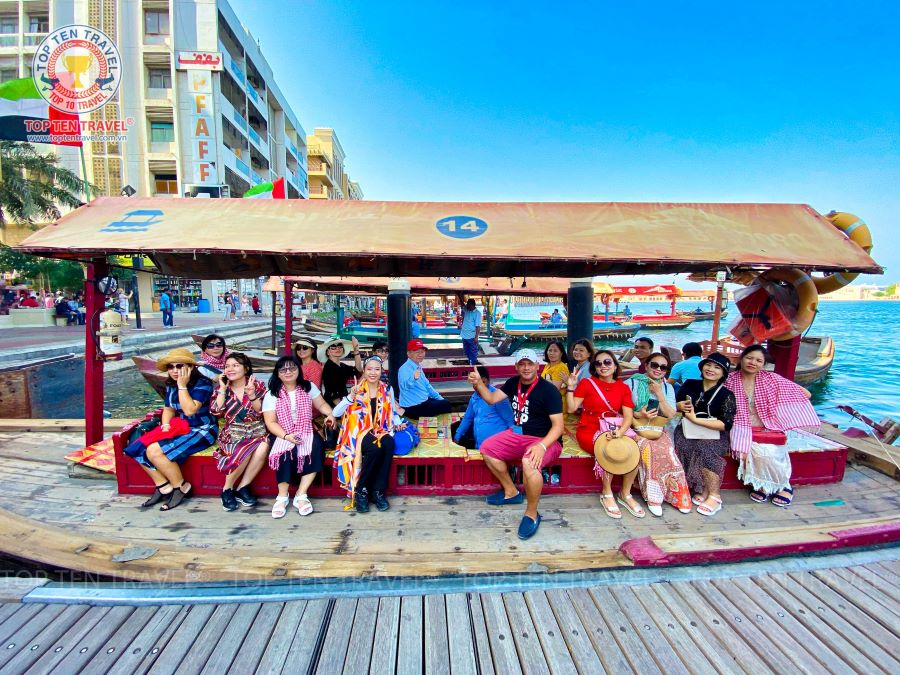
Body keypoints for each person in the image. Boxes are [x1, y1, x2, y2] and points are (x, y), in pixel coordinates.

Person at [467, 349, 563, 539]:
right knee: (487, 448)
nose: (526, 368)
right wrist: (478, 383)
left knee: (529, 462)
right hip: (518, 434)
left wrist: (542, 446)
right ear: (516, 367)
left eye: (530, 364)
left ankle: (532, 514)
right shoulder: (512, 383)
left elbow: (558, 427)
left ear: (537, 366)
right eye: (522, 364)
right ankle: (511, 492)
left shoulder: (549, 390)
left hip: (545, 439)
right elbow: (491, 399)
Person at [122, 348, 217, 511]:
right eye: (170, 367)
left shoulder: (203, 384)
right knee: (136, 447)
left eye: (179, 366)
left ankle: (181, 486)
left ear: (190, 367)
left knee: (154, 451)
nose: (174, 370)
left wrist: (182, 386)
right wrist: (165, 425)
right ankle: (163, 485)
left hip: (202, 429)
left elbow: (190, 410)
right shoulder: (171, 385)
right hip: (180, 427)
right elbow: (168, 409)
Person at [726, 344, 819, 507]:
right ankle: (763, 485)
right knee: (746, 452)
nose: (753, 363)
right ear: (741, 359)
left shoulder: (771, 379)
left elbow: (806, 394)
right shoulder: (729, 380)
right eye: (749, 358)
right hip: (739, 426)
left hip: (766, 425)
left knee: (768, 452)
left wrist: (782, 409)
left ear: (764, 364)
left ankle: (783, 486)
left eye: (758, 360)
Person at [566, 350, 642, 519]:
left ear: (615, 366)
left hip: (614, 427)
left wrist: (620, 432)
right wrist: (571, 386)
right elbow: (571, 409)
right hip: (590, 428)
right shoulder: (587, 383)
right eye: (598, 363)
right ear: (594, 367)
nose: (603, 366)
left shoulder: (623, 387)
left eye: (607, 362)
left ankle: (625, 493)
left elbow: (628, 416)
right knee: (607, 447)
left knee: (635, 448)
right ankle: (606, 492)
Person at [263, 355, 336, 518]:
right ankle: (282, 496)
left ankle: (301, 495)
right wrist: (286, 436)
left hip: (306, 429)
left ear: (298, 370)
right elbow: (270, 422)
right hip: (282, 431)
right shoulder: (272, 394)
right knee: (284, 452)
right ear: (277, 373)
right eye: (283, 369)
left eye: (292, 368)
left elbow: (321, 404)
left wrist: (329, 414)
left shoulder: (308, 387)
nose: (288, 372)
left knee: (316, 447)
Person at [333, 355, 406, 513]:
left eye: (377, 369)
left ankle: (378, 491)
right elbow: (336, 412)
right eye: (369, 369)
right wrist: (351, 397)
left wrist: (398, 423)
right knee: (375, 448)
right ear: (364, 371)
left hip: (379, 429)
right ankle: (361, 490)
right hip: (357, 432)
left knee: (388, 443)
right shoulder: (356, 389)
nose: (373, 372)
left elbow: (392, 411)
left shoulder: (387, 389)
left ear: (381, 371)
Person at [626, 352, 691, 516]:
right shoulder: (631, 383)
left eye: (663, 367)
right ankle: (654, 497)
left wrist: (659, 394)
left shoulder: (667, 387)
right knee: (649, 450)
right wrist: (640, 414)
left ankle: (677, 495)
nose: (658, 369)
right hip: (635, 428)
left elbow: (670, 414)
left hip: (657, 429)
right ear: (646, 365)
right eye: (654, 365)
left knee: (668, 452)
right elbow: (621, 409)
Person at [674, 352, 736, 516]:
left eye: (717, 367)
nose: (711, 369)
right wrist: (680, 406)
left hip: (715, 433)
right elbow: (676, 403)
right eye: (708, 365)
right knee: (684, 445)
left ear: (723, 373)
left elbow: (726, 424)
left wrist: (696, 420)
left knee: (706, 448)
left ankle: (714, 496)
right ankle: (702, 489)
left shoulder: (726, 394)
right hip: (687, 429)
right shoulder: (690, 384)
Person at [210, 353, 269, 511]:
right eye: (227, 366)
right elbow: (216, 411)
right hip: (233, 433)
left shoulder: (257, 385)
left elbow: (262, 412)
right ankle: (227, 489)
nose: (230, 369)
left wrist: (252, 395)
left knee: (263, 445)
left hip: (255, 431)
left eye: (235, 365)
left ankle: (242, 487)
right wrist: (222, 389)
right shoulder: (222, 388)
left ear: (246, 368)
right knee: (244, 448)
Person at [452, 365, 515, 449]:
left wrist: (515, 444)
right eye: (476, 383)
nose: (479, 386)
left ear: (488, 381)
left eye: (483, 382)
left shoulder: (497, 397)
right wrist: (457, 436)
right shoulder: (474, 398)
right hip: (479, 446)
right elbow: (467, 418)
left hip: (497, 448)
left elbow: (511, 422)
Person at [398, 338, 452, 419]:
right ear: (408, 354)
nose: (420, 354)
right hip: (413, 407)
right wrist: (413, 378)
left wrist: (440, 399)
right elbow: (404, 386)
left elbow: (427, 386)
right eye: (417, 352)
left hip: (423, 402)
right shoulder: (404, 369)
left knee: (444, 402)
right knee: (446, 405)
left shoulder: (418, 366)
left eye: (422, 352)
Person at [321, 336, 362, 406]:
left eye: (340, 346)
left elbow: (358, 370)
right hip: (334, 405)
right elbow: (333, 394)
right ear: (328, 352)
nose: (337, 348)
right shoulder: (329, 368)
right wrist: (343, 409)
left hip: (343, 402)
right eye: (333, 347)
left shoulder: (341, 366)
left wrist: (356, 350)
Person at [541, 340, 570, 413]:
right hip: (546, 402)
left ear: (561, 353)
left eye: (555, 351)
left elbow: (554, 390)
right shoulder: (548, 365)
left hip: (556, 406)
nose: (552, 353)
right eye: (550, 350)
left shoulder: (561, 367)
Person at [459, 298, 482, 365]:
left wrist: (476, 337)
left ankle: (473, 363)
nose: (468, 307)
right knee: (466, 351)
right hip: (464, 335)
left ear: (473, 305)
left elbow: (478, 326)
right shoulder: (466, 309)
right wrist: (460, 296)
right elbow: (462, 305)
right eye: (467, 305)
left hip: (472, 336)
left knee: (473, 351)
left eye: (469, 306)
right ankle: (470, 361)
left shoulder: (477, 313)